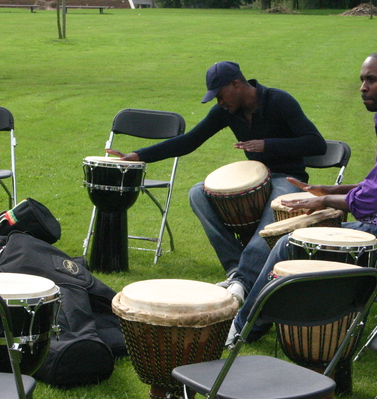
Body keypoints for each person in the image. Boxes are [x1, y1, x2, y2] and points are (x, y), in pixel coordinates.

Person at [227, 51, 377, 344]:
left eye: (371, 80)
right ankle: (260, 318)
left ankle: (242, 329)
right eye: (362, 80)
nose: (363, 87)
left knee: (289, 244)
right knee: (296, 238)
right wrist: (328, 190)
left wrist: (323, 202)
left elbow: (372, 200)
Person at [107, 61, 326, 304]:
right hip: (256, 178)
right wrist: (139, 156)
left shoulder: (279, 101)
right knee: (197, 194)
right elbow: (190, 141)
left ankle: (243, 283)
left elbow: (316, 143)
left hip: (288, 179)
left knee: (269, 218)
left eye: (220, 95)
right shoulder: (226, 112)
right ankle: (236, 270)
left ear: (236, 84)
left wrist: (268, 144)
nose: (219, 102)